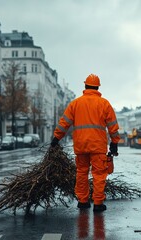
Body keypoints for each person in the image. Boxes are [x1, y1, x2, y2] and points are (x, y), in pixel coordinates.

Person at [51, 74, 120, 212]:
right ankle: (98, 203)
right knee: (99, 175)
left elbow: (64, 122)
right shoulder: (104, 103)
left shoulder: (76, 103)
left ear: (85, 86)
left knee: (82, 173)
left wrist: (56, 138)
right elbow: (113, 126)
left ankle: (83, 201)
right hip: (98, 146)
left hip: (81, 146)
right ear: (98, 87)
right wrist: (114, 142)